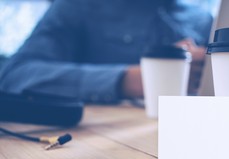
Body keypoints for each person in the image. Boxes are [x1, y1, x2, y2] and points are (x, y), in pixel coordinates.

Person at [0, 0, 213, 103]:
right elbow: (15, 75)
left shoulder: (203, 19)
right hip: (100, 152)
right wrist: (129, 80)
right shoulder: (78, 7)